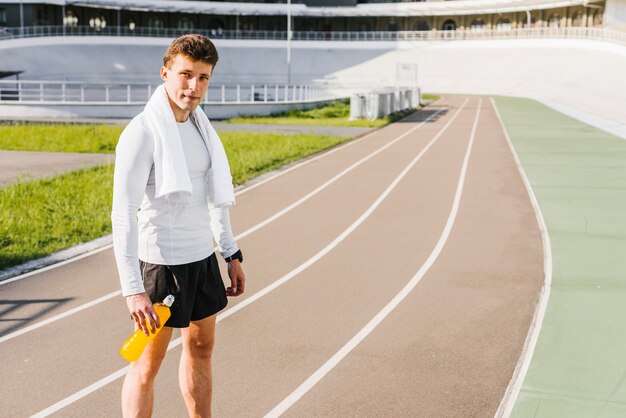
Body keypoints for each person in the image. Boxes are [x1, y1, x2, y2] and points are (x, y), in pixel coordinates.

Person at [111, 34, 246, 418]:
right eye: (186, 74)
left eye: (203, 78)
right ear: (165, 72)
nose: (194, 86)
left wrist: (230, 252)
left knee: (201, 351)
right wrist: (133, 291)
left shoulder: (202, 127)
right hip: (160, 266)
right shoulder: (142, 132)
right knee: (146, 366)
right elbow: (123, 214)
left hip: (202, 259)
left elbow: (213, 195)